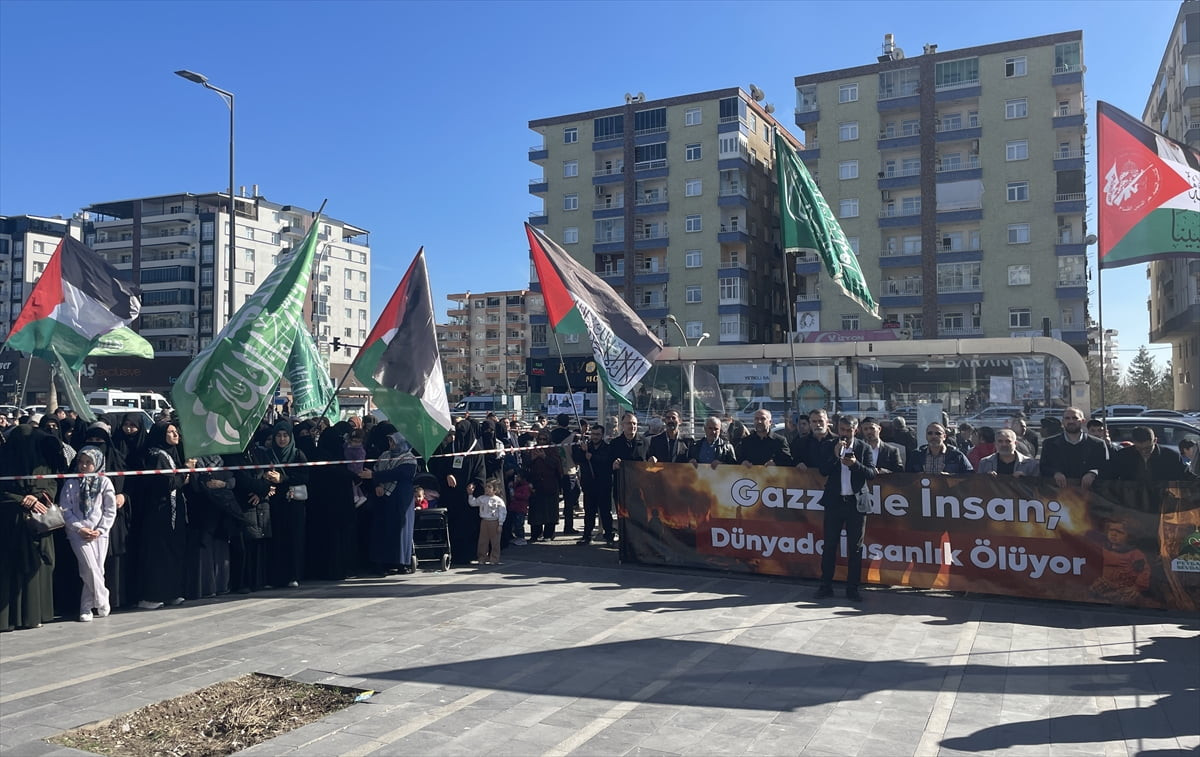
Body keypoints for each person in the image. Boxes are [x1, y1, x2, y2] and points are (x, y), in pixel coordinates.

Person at [0, 425, 60, 630]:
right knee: (11, 568)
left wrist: (38, 498)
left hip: (38, 523)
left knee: (39, 566)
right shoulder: (4, 460)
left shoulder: (42, 461)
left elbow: (52, 484)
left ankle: (35, 615)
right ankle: (10, 619)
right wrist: (20, 499)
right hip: (10, 524)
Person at [814, 416, 876, 602]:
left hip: (856, 504)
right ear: (838, 429)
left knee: (855, 548)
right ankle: (826, 585)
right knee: (830, 545)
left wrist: (855, 464)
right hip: (835, 502)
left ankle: (852, 588)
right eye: (842, 430)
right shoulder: (829, 446)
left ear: (855, 431)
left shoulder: (863, 448)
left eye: (849, 431)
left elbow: (872, 473)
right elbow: (823, 471)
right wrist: (835, 455)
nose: (845, 434)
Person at [137, 421, 190, 609]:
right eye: (170, 432)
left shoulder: (171, 454)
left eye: (176, 431)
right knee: (159, 555)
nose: (175, 435)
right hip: (158, 512)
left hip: (173, 511)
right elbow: (166, 483)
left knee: (173, 552)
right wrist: (184, 472)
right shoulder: (156, 455)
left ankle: (171, 592)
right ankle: (153, 595)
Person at [255, 420, 309, 588]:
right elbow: (260, 472)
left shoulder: (298, 454)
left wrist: (283, 478)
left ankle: (293, 574)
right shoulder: (268, 454)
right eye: (278, 435)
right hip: (274, 502)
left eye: (285, 435)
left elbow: (305, 477)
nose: (282, 439)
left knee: (294, 538)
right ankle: (276, 576)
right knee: (276, 539)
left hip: (293, 503)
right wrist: (266, 479)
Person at [359, 431, 419, 575]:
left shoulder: (409, 458)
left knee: (400, 531)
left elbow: (400, 473)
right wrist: (377, 484)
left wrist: (375, 476)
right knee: (382, 530)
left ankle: (400, 563)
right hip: (383, 498)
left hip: (400, 499)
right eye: (390, 441)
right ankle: (381, 563)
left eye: (393, 442)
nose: (390, 444)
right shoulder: (384, 456)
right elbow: (376, 469)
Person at [429, 419, 484, 564]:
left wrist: (474, 484)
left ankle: (468, 555)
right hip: (451, 495)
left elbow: (481, 471)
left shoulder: (476, 450)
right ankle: (451, 552)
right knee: (452, 525)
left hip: (467, 495)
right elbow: (441, 467)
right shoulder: (450, 448)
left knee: (468, 526)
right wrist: (447, 474)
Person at [1039, 407, 1109, 490]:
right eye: (1067, 418)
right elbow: (1043, 467)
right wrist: (1055, 473)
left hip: (1090, 495)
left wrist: (1093, 473)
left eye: (1075, 418)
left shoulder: (1098, 444)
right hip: (1058, 495)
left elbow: (1106, 467)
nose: (1071, 421)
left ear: (1083, 421)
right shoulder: (1049, 444)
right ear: (1063, 421)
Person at [1088, 518, 1151, 604]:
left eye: (1119, 532)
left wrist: (1137, 587)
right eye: (1111, 530)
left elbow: (1144, 571)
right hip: (1107, 583)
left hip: (1125, 586)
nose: (1113, 534)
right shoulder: (1104, 548)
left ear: (1129, 536)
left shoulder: (1135, 554)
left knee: (1127, 600)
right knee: (1093, 592)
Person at [574, 423, 614, 545]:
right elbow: (577, 459)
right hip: (589, 485)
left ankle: (609, 536)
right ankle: (587, 535)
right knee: (589, 512)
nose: (595, 437)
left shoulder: (607, 448)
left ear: (602, 435)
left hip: (603, 484)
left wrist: (592, 457)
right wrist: (582, 451)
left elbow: (607, 462)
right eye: (593, 434)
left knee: (605, 512)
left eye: (598, 434)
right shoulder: (587, 446)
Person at [524, 428, 561, 543]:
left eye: (544, 439)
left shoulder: (552, 450)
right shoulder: (533, 450)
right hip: (536, 485)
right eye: (540, 439)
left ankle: (548, 534)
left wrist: (545, 457)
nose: (542, 441)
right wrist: (532, 458)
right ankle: (535, 534)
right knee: (536, 512)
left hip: (550, 484)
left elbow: (557, 465)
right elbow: (525, 465)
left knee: (550, 511)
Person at [548, 414, 581, 535]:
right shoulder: (572, 437)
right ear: (568, 422)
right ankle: (568, 527)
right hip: (569, 471)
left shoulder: (550, 435)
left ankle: (550, 530)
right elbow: (577, 455)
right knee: (570, 499)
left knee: (553, 500)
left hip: (553, 471)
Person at [906, 423, 974, 474]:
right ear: (926, 436)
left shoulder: (957, 455)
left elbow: (969, 476)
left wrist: (951, 478)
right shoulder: (916, 455)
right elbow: (906, 477)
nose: (934, 436)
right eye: (930, 433)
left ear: (944, 437)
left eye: (938, 433)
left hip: (948, 492)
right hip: (922, 492)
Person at [468, 478, 507, 565]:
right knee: (483, 540)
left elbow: (502, 512)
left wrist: (500, 524)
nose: (487, 489)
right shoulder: (482, 498)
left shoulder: (498, 500)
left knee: (495, 541)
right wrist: (470, 495)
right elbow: (473, 503)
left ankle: (494, 558)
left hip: (494, 522)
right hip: (484, 521)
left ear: (495, 490)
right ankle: (482, 557)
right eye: (486, 487)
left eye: (489, 487)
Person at [344, 427, 368, 507]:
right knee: (355, 484)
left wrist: (355, 470)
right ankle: (360, 496)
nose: (356, 443)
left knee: (354, 483)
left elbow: (359, 462)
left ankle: (356, 496)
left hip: (356, 469)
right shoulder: (347, 446)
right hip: (350, 467)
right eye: (354, 441)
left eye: (359, 442)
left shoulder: (360, 451)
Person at [507, 472, 531, 546]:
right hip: (514, 507)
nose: (516, 479)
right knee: (514, 523)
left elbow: (525, 496)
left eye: (518, 477)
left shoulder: (525, 486)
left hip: (520, 508)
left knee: (519, 524)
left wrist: (515, 495)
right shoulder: (515, 485)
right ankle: (517, 537)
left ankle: (521, 537)